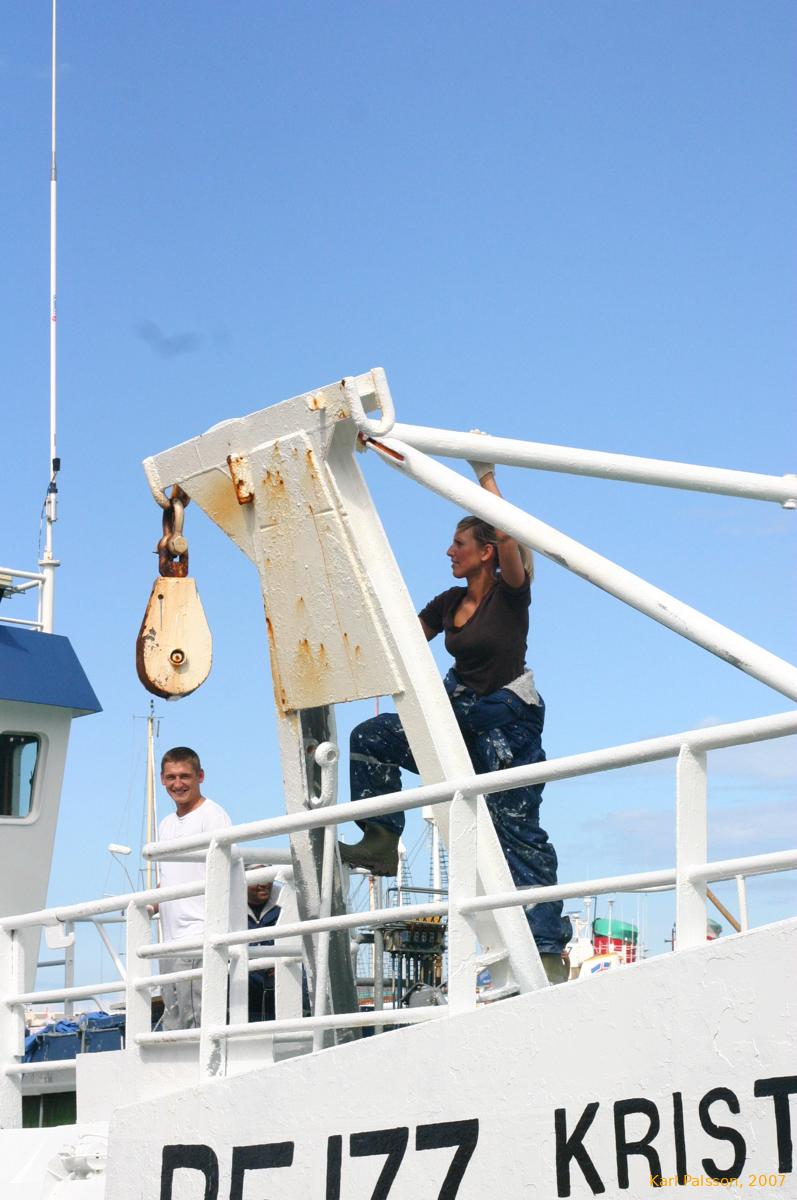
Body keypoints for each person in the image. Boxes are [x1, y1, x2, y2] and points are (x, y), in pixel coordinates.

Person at [340, 458, 572, 983]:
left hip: (507, 721)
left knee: (517, 834)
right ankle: (379, 838)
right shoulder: (449, 602)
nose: (449, 551)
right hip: (460, 712)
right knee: (371, 739)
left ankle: (548, 951)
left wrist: (485, 475)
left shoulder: (510, 592)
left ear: (486, 552)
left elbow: (510, 534)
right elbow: (398, 635)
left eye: (459, 545)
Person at [155, 747, 231, 1029]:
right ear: (162, 780)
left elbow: (224, 871)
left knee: (196, 1018)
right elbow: (171, 875)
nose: (178, 784)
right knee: (174, 1019)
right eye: (171, 777)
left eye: (185, 776)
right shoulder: (165, 825)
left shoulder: (213, 816)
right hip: (170, 938)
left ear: (200, 776)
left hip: (200, 932)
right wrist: (150, 903)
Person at [246, 869, 282, 1022]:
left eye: (267, 878)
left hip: (281, 995)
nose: (263, 884)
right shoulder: (228, 910)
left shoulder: (286, 905)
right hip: (243, 999)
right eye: (256, 879)